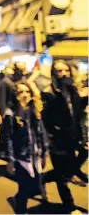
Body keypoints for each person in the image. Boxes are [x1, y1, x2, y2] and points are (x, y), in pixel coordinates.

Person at [40, 60, 85, 214]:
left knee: (67, 170)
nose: (64, 73)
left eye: (66, 70)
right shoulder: (49, 93)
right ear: (53, 74)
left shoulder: (72, 91)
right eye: (59, 71)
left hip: (72, 139)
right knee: (62, 175)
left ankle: (43, 179)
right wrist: (49, 140)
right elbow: (45, 121)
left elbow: (77, 113)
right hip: (56, 142)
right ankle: (69, 206)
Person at [2, 83, 47, 214]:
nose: (25, 94)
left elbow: (41, 132)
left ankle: (16, 199)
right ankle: (20, 210)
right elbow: (8, 137)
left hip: (35, 155)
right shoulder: (11, 113)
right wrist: (10, 159)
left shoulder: (34, 109)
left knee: (35, 188)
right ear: (15, 95)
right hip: (21, 157)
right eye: (20, 92)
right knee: (24, 188)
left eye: (27, 91)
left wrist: (44, 152)